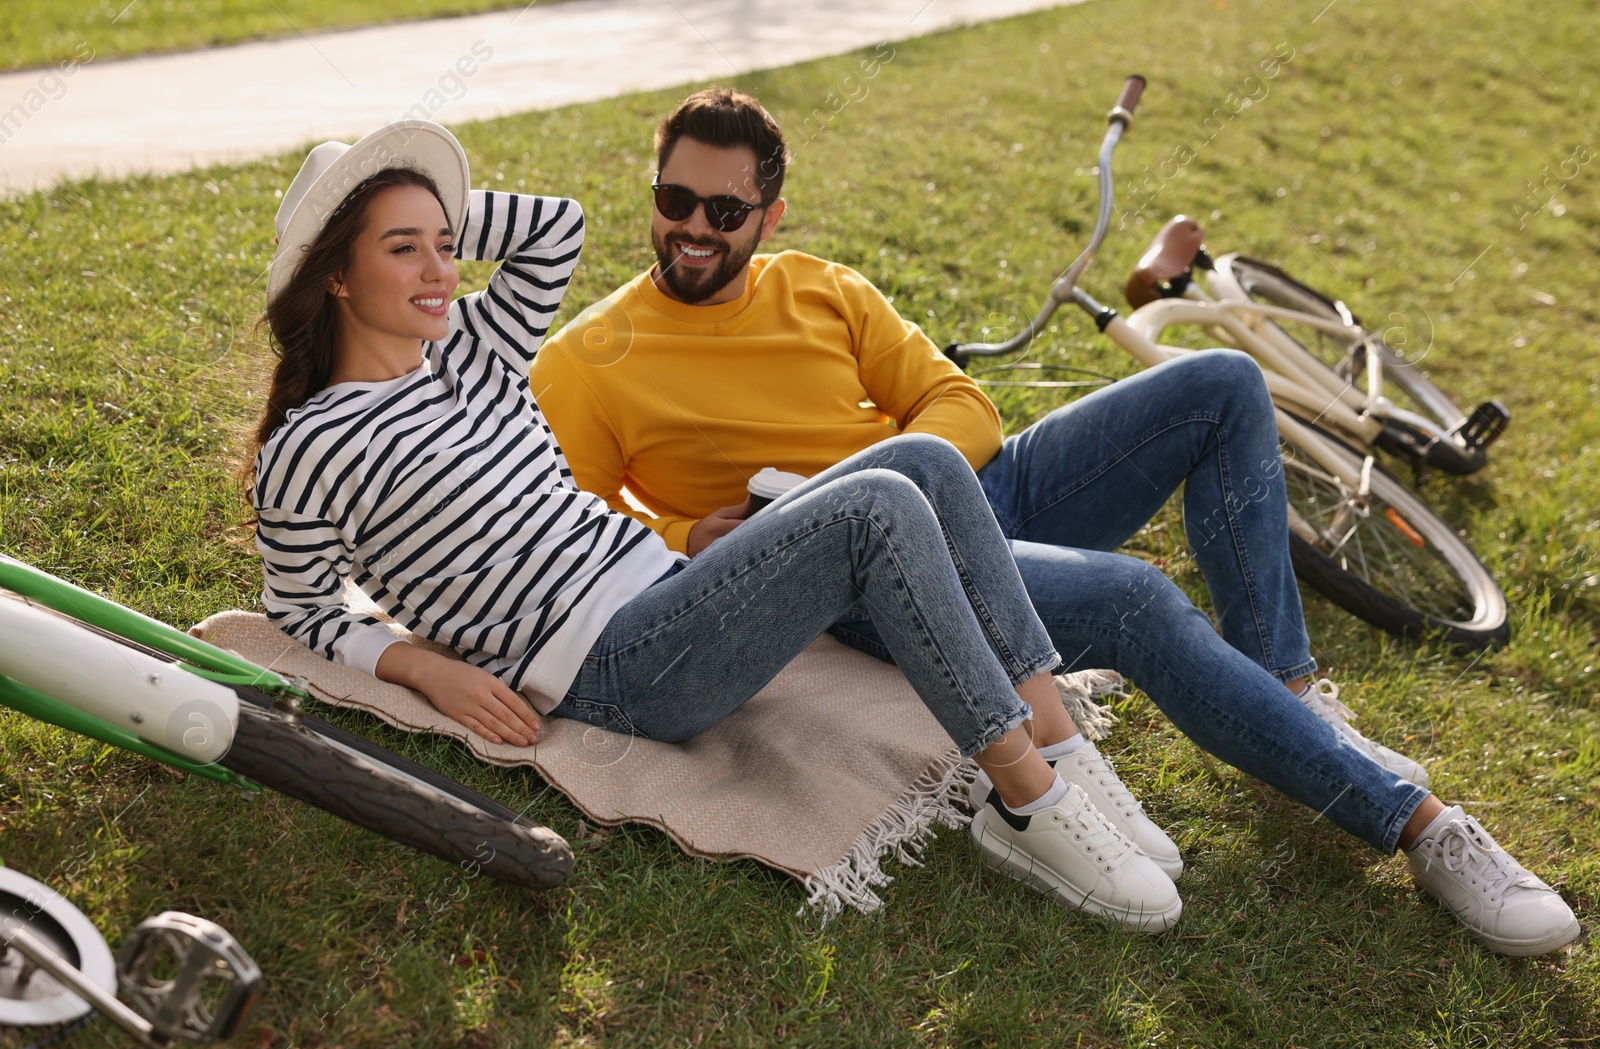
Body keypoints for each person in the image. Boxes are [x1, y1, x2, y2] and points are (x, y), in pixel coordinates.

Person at [526, 89, 1581, 956]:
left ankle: (1292, 692)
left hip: (976, 490)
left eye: (725, 211)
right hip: (867, 564)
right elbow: (565, 528)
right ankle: (1420, 827)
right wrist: (699, 532)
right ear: (651, 189)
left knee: (1219, 380)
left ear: (771, 215)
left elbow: (962, 409)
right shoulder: (591, 357)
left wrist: (885, 461)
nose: (694, 229)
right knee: (1132, 598)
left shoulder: (819, 287)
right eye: (675, 199)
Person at [249, 118, 1191, 933]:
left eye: (445, 244)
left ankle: (1057, 741)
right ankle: (1025, 801)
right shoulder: (310, 443)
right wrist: (422, 664)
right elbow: (300, 606)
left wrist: (412, 198)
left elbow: (556, 228)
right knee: (878, 506)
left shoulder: (472, 349)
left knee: (928, 461)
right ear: (334, 273)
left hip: (664, 590)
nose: (441, 271)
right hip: (612, 669)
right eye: (402, 248)